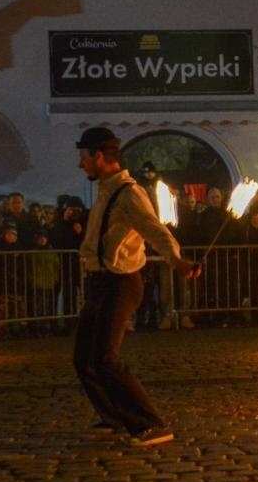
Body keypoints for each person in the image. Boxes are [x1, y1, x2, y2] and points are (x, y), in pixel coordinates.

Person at [73, 127, 198, 446]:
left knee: (105, 358)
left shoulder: (129, 193)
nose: (80, 163)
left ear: (99, 157)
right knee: (84, 358)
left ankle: (151, 424)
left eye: (84, 157)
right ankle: (114, 417)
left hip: (121, 283)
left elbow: (154, 230)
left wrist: (176, 259)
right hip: (100, 282)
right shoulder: (106, 189)